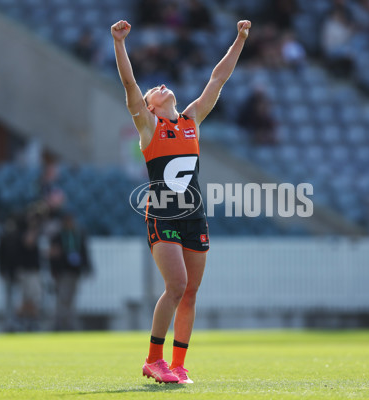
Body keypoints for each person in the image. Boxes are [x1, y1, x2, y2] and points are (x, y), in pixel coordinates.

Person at [111, 18, 251, 384]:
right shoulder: (149, 128)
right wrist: (120, 43)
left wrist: (239, 39)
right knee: (176, 286)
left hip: (195, 217)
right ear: (150, 109)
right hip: (162, 215)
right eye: (153, 92)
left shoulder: (191, 120)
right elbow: (129, 85)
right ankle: (153, 360)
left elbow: (217, 79)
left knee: (190, 292)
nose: (159, 87)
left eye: (160, 87)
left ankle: (179, 365)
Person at [49, 213, 92, 331]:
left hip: (75, 272)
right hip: (63, 272)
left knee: (71, 299)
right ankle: (59, 324)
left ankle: (69, 324)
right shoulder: (58, 236)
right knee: (62, 299)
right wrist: (54, 271)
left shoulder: (78, 235)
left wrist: (87, 267)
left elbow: (84, 252)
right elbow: (53, 256)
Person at [0, 215, 22, 332]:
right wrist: (1, 270)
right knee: (8, 299)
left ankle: (16, 322)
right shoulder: (3, 238)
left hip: (16, 272)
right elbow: (0, 256)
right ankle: (8, 323)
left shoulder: (18, 238)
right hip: (8, 271)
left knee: (17, 299)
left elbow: (20, 256)